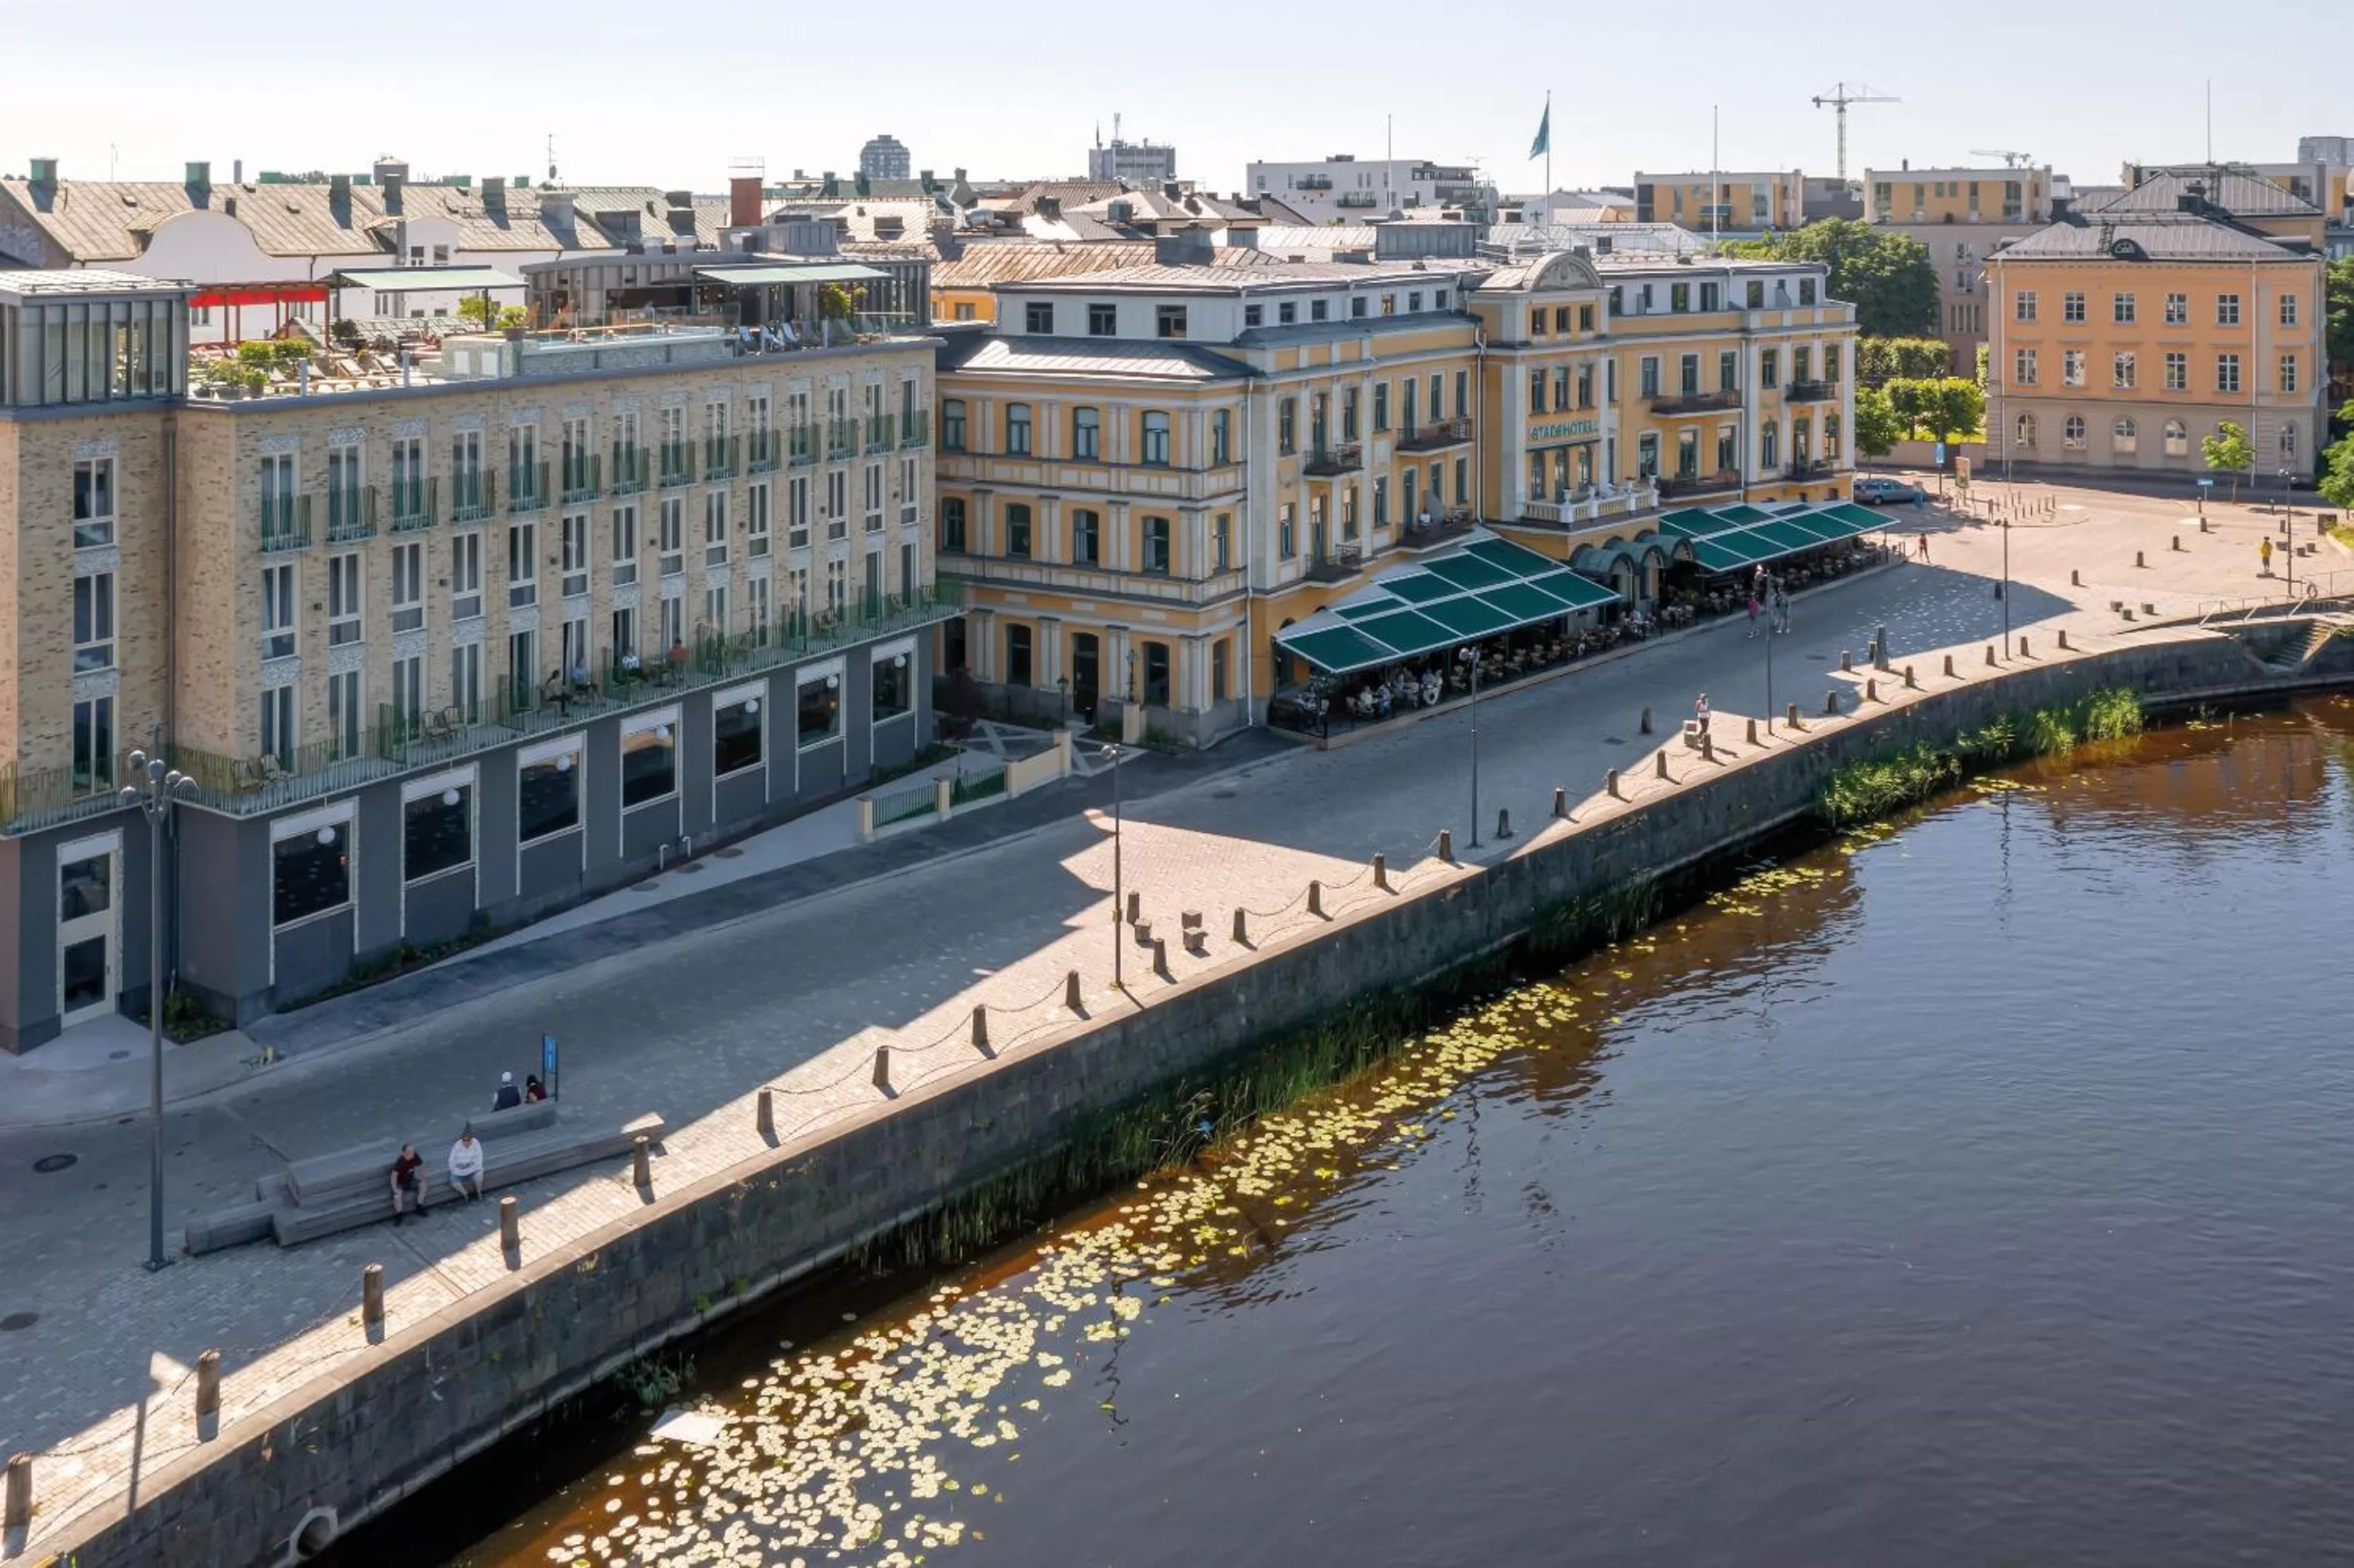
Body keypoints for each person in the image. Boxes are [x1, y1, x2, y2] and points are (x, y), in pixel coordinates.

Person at [388, 1142, 426, 1224]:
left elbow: (421, 1168)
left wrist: (421, 1175)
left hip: (411, 1180)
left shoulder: (415, 1157)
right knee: (397, 1197)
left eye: (412, 1151)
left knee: (423, 1184)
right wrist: (395, 1189)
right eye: (409, 1152)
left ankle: (419, 1207)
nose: (412, 1154)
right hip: (400, 1182)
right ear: (404, 1153)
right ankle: (399, 1215)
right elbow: (393, 1177)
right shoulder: (400, 1162)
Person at [447, 1125, 486, 1202]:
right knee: (454, 1182)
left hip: (473, 1168)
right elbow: (452, 1159)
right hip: (460, 1169)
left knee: (479, 1176)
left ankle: (478, 1192)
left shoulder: (476, 1143)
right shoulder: (457, 1145)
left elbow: (479, 1157)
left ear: (471, 1139)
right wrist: (457, 1167)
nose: (466, 1142)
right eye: (464, 1140)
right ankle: (465, 1194)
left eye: (468, 1140)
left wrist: (471, 1164)